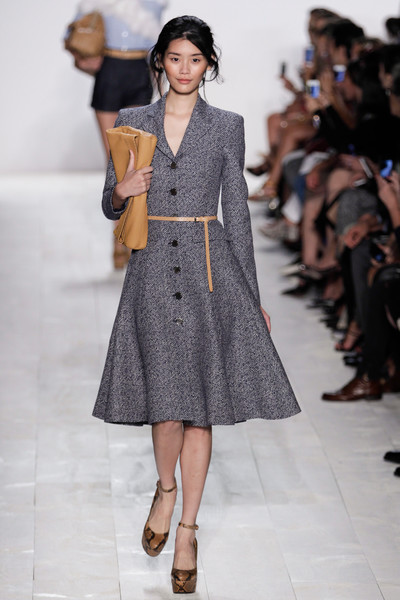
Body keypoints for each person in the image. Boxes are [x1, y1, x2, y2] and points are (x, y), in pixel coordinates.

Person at [92, 15, 300, 594]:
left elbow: (238, 211)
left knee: (200, 409)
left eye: (196, 59)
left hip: (211, 271)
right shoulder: (133, 121)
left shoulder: (227, 126)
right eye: (176, 57)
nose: (185, 69)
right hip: (152, 271)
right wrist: (122, 191)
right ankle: (165, 490)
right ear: (160, 60)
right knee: (166, 407)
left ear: (209, 65)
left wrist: (251, 296)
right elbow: (109, 203)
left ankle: (187, 530)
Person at [67, 0, 167, 268]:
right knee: (115, 159)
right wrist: (83, 58)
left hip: (140, 72)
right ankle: (118, 236)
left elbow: (158, 41)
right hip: (109, 71)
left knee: (136, 158)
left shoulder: (154, 2)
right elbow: (71, 34)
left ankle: (130, 232)